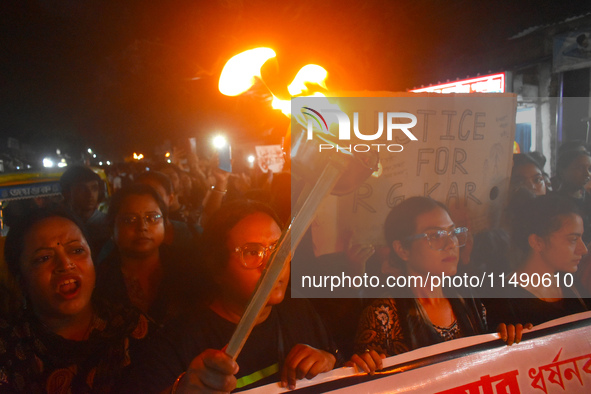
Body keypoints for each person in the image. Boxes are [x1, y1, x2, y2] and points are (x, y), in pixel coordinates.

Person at [118, 200, 336, 392]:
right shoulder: (177, 342)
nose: (273, 265)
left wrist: (328, 360)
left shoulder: (297, 310)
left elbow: (334, 361)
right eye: (252, 252)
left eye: (278, 248)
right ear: (217, 269)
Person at [351, 197, 522, 374]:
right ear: (402, 249)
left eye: (453, 232)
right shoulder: (382, 316)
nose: (450, 244)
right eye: (435, 236)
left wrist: (504, 338)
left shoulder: (467, 298)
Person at [0, 207, 144, 392]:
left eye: (76, 250)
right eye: (44, 257)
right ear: (21, 279)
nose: (65, 264)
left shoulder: (133, 330)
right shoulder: (8, 346)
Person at [95, 184, 197, 326]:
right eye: (129, 220)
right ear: (112, 227)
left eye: (152, 218)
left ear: (165, 223)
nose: (142, 227)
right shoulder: (99, 279)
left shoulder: (189, 268)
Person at [486, 194, 590, 328]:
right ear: (537, 242)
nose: (583, 249)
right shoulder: (505, 301)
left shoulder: (570, 283)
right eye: (573, 240)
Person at [60, 165, 110, 255]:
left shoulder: (108, 224)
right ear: (66, 193)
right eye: (82, 189)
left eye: (94, 188)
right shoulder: (60, 226)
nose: (90, 194)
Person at [553, 150, 591, 243]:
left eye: (589, 169)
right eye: (580, 168)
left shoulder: (587, 199)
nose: (587, 174)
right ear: (562, 171)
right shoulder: (553, 203)